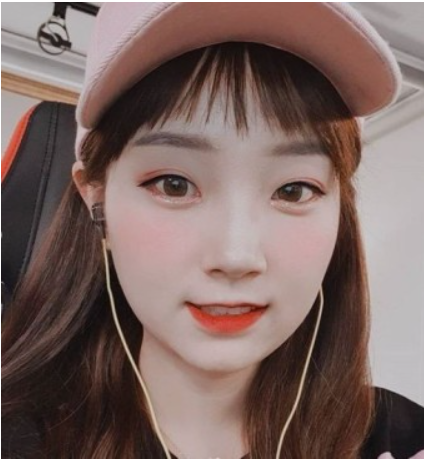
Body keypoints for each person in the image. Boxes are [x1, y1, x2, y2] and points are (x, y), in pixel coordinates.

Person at [2, 3, 424, 459]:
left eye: (293, 190)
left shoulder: (396, 438)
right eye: (174, 184)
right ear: (96, 199)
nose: (236, 256)